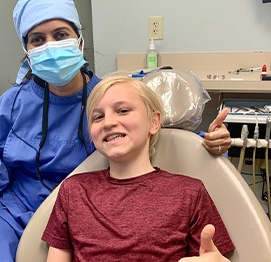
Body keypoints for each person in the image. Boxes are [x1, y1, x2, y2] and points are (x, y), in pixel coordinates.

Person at [0, 0, 231, 261]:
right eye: (38, 39)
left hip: (85, 206)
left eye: (60, 34)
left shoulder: (104, 97)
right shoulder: (13, 102)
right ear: (27, 50)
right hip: (13, 206)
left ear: (79, 40)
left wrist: (209, 143)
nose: (50, 46)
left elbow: (154, 133)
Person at [42, 75, 235, 261]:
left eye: (123, 111)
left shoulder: (189, 193)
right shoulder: (73, 191)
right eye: (98, 117)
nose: (108, 122)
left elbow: (210, 255)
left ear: (154, 121)